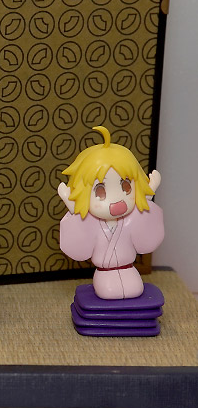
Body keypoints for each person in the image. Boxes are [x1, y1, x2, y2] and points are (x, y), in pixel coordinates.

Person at [58, 126, 163, 299]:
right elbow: (79, 232)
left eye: (126, 187)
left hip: (129, 268)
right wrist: (71, 204)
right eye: (100, 191)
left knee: (135, 288)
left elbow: (145, 221)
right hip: (104, 272)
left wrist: (148, 194)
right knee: (110, 291)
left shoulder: (131, 218)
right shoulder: (91, 222)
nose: (116, 200)